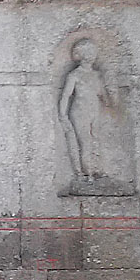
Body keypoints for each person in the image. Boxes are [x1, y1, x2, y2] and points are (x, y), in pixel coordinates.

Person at [58, 38, 109, 185]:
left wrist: (110, 87)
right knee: (85, 141)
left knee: (96, 140)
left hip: (95, 110)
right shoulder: (74, 75)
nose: (93, 55)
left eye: (94, 51)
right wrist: (62, 115)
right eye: (90, 51)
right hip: (79, 111)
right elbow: (66, 96)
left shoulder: (97, 75)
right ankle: (87, 173)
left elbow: (104, 97)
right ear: (83, 54)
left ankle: (97, 169)